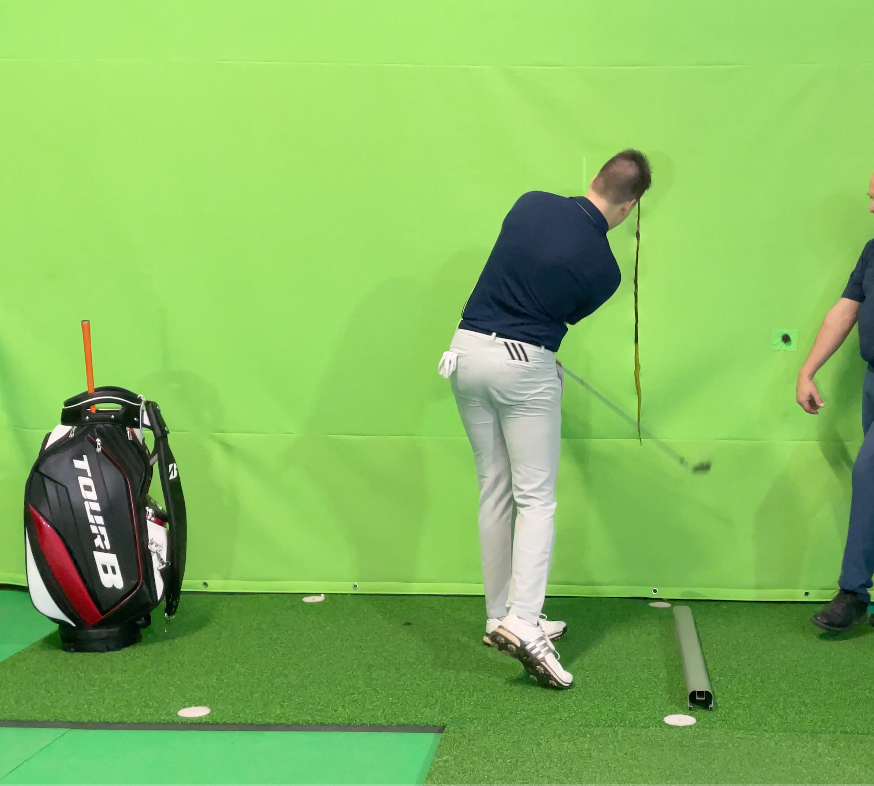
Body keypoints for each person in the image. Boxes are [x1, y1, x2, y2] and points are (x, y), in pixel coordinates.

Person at [437, 150, 652, 688]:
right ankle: (524, 621)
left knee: (494, 486)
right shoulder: (606, 272)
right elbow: (560, 313)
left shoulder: (530, 203)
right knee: (535, 499)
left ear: (594, 178)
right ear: (630, 206)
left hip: (463, 354)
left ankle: (500, 617)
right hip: (523, 368)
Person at [798, 171, 874, 632]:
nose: (871, 208)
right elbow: (846, 309)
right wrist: (807, 370)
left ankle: (853, 592)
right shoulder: (872, 251)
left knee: (868, 474)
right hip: (873, 381)